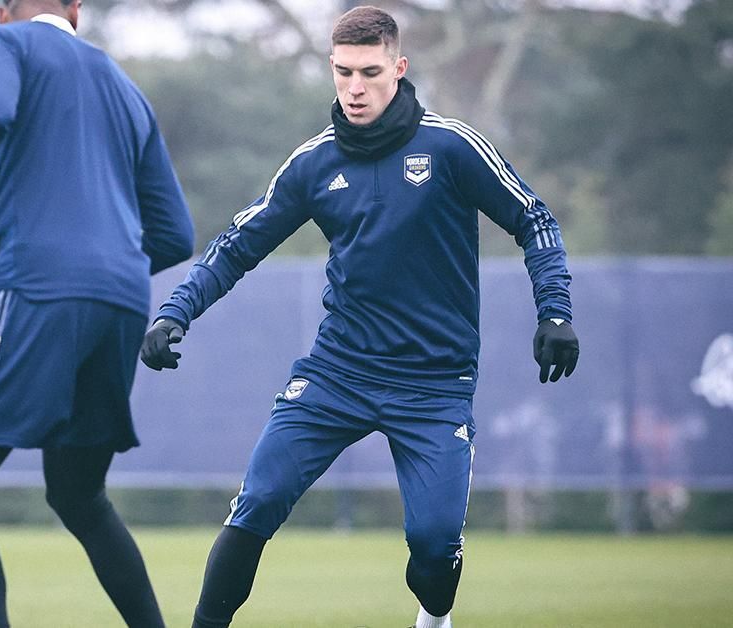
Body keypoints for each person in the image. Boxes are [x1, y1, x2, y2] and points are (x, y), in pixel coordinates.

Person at [140, 6, 578, 628]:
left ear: (398, 68)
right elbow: (236, 246)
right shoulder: (314, 164)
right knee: (256, 503)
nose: (355, 87)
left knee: (434, 550)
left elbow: (534, 218)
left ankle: (433, 618)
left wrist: (554, 312)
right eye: (343, 72)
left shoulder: (452, 147)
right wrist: (174, 313)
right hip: (337, 374)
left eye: (370, 72)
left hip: (434, 385)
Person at [0, 1, 194, 626]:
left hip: (36, 290)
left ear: (3, 10)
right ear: (76, 10)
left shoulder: (1, 42)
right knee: (79, 495)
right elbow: (175, 235)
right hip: (122, 302)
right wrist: (104, 268)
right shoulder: (125, 86)